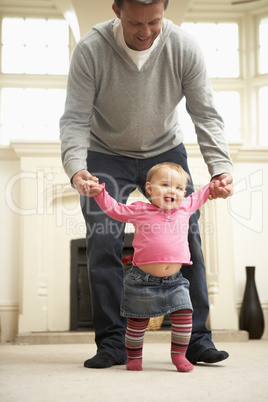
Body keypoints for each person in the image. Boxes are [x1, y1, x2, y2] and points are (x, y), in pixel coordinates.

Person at [60, 0, 234, 369]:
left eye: (154, 22)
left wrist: (220, 168)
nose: (145, 31)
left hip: (165, 150)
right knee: (103, 237)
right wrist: (77, 169)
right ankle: (112, 343)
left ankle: (197, 341)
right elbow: (75, 118)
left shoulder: (183, 47)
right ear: (116, 10)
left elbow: (205, 112)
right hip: (105, 152)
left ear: (164, 13)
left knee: (188, 238)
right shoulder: (91, 50)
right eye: (135, 22)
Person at [89, 162, 216, 372]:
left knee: (185, 316)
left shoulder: (185, 207)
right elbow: (115, 209)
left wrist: (215, 184)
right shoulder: (140, 209)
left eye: (178, 188)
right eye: (165, 184)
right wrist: (100, 193)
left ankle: (178, 355)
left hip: (175, 281)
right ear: (149, 189)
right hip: (142, 282)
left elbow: (203, 193)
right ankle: (134, 357)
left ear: (184, 192)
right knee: (137, 324)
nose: (171, 191)